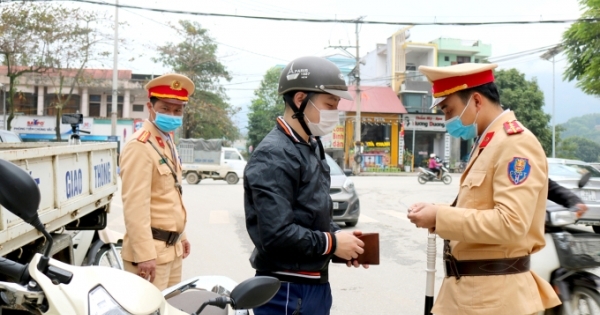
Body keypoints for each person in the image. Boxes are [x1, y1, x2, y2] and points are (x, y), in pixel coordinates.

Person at [407, 63, 560, 315]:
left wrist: (440, 216)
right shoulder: (488, 141)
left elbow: (511, 223)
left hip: (494, 300)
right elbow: (478, 209)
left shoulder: (515, 143)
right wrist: (437, 211)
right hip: (473, 295)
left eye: (449, 110)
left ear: (476, 101)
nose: (447, 120)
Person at [244, 56, 368, 315]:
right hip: (287, 290)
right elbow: (276, 235)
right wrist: (332, 243)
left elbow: (310, 215)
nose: (334, 112)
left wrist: (343, 242)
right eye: (329, 104)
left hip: (312, 285)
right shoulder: (273, 154)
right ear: (300, 99)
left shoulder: (310, 145)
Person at [119, 73, 192, 290]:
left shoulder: (166, 142)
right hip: (151, 254)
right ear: (150, 108)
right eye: (165, 108)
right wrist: (144, 255)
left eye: (177, 110)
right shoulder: (139, 146)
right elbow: (135, 205)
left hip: (171, 249)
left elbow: (170, 196)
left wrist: (182, 235)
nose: (172, 114)